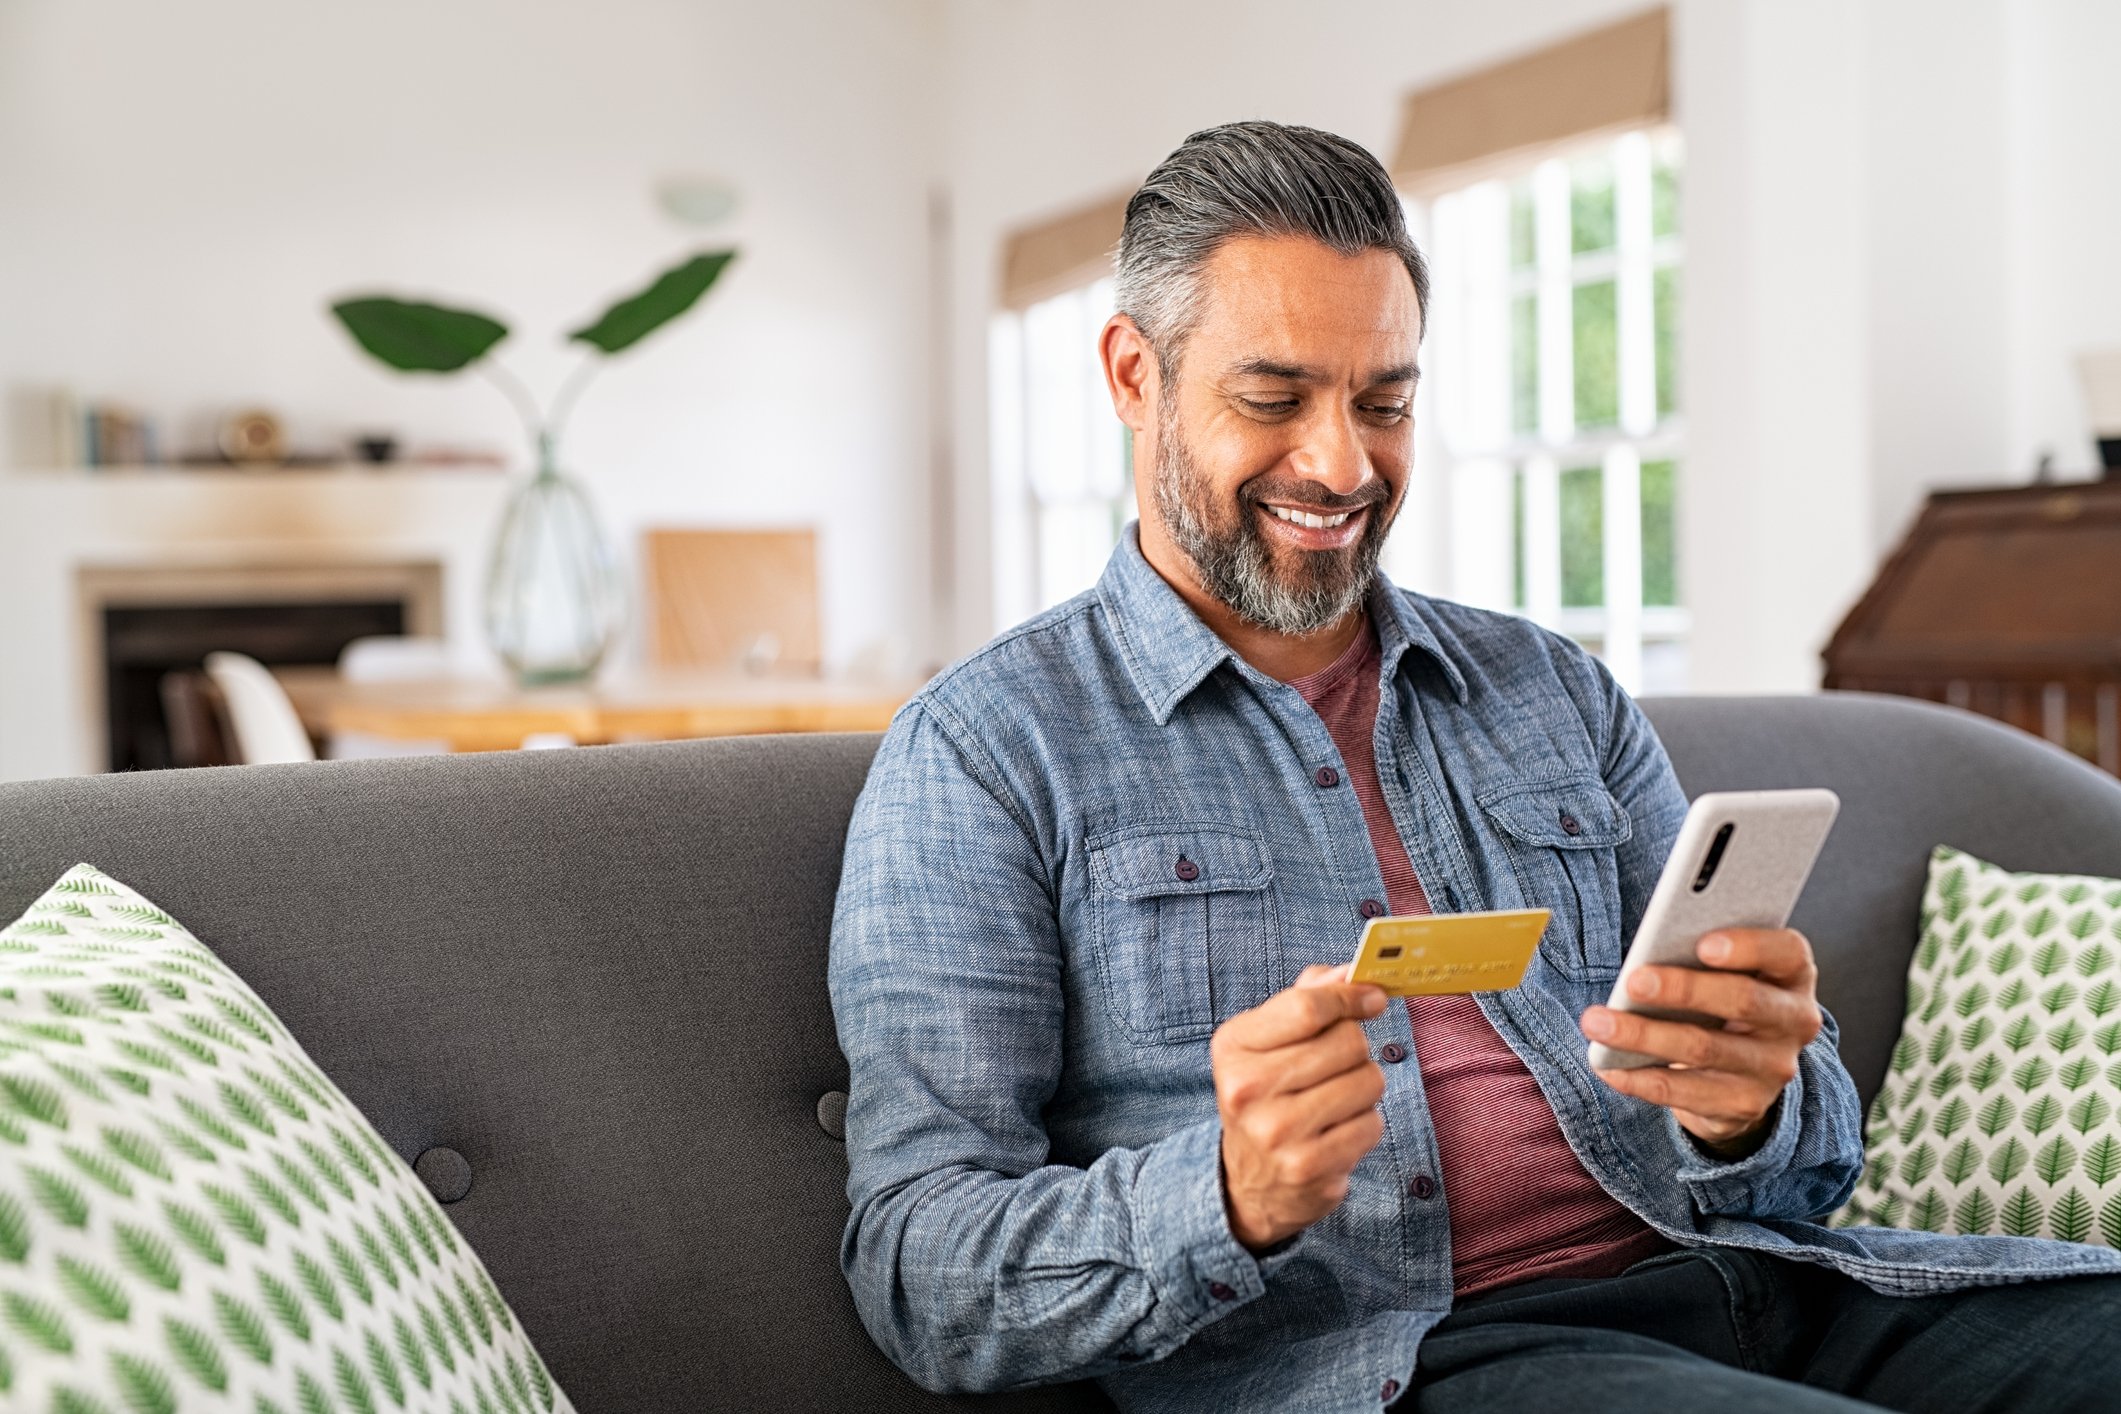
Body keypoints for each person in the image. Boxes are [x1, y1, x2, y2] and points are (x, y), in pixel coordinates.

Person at [827, 120, 2121, 1414]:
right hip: (1414, 1355)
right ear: (1132, 373)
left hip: (1768, 1281)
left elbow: (1802, 1165)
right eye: (1272, 397)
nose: (1340, 464)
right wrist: (1222, 1194)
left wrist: (1752, 1106)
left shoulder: (1549, 688)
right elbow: (916, 1272)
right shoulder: (986, 749)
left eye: (1383, 401)